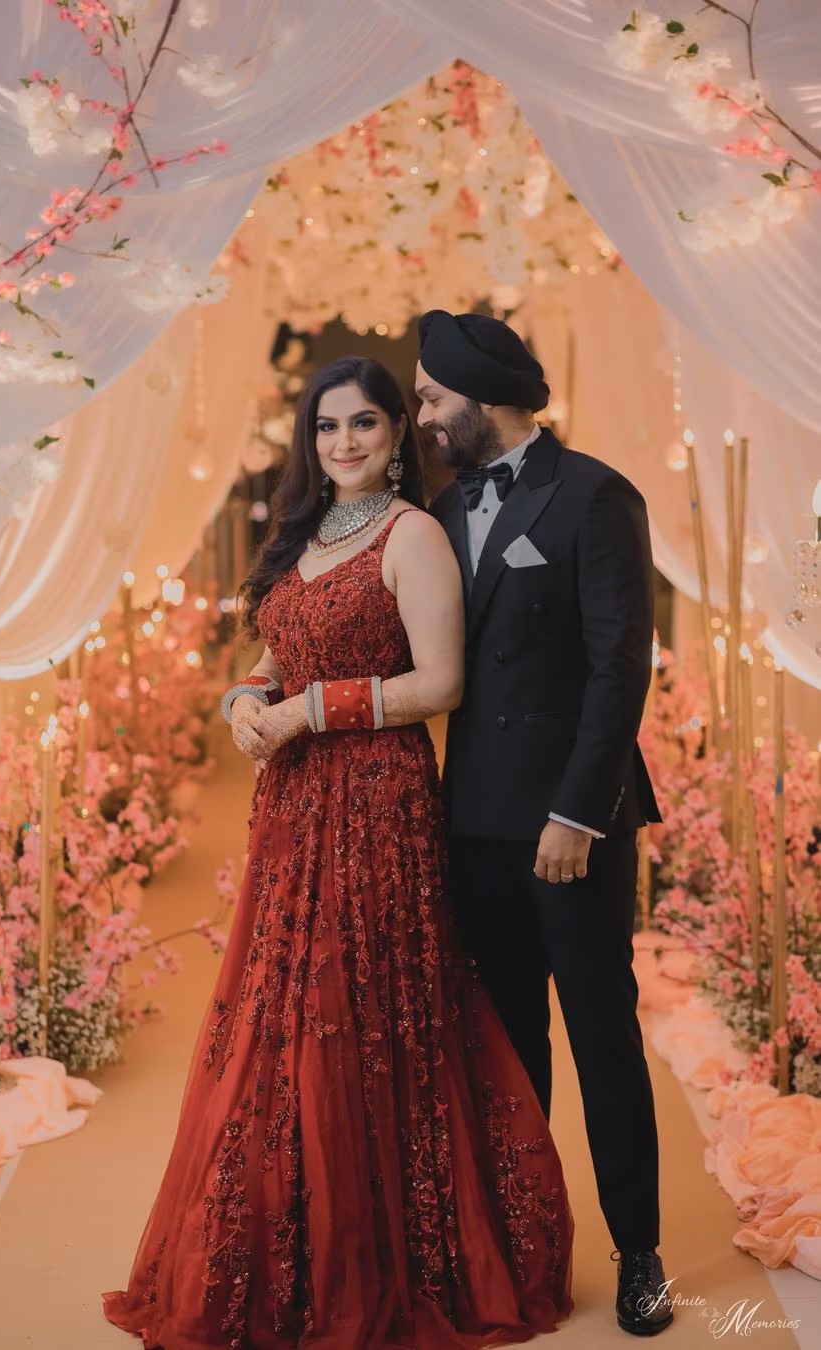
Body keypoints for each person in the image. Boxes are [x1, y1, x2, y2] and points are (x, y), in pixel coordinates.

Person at [103, 355, 574, 1350]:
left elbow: (438, 682)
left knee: (356, 1011)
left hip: (376, 800)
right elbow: (282, 646)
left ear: (400, 434)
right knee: (279, 1010)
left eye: (364, 424)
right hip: (291, 808)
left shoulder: (416, 537)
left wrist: (310, 711)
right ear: (308, 440)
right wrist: (246, 695)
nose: (345, 443)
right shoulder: (308, 533)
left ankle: (391, 1254)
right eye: (327, 427)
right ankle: (288, 1248)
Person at [418, 309, 672, 1337]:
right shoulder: (440, 510)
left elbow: (621, 665)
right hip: (475, 818)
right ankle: (527, 1250)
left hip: (574, 820)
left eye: (435, 399)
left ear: (487, 402)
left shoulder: (597, 496)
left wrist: (578, 811)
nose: (423, 416)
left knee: (600, 1032)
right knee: (510, 1044)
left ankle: (640, 1253)